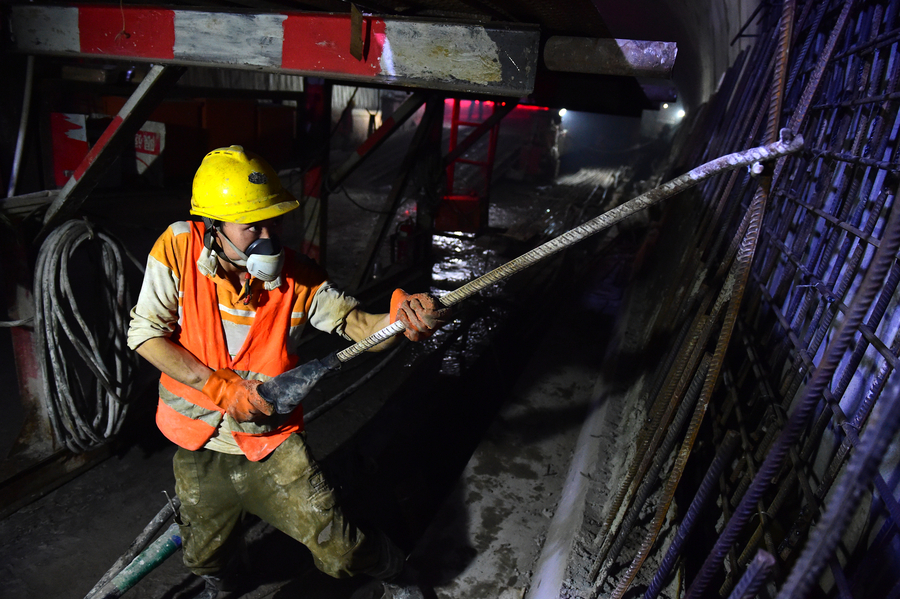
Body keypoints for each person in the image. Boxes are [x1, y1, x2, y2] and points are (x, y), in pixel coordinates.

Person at [127, 145, 450, 599]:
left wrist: (397, 317)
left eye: (273, 221)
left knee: (340, 550)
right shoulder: (178, 248)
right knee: (202, 557)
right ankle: (225, 578)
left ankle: (399, 574)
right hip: (200, 443)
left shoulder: (297, 277)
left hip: (270, 445)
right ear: (213, 227)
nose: (267, 237)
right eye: (251, 226)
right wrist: (218, 386)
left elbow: (356, 324)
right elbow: (145, 334)